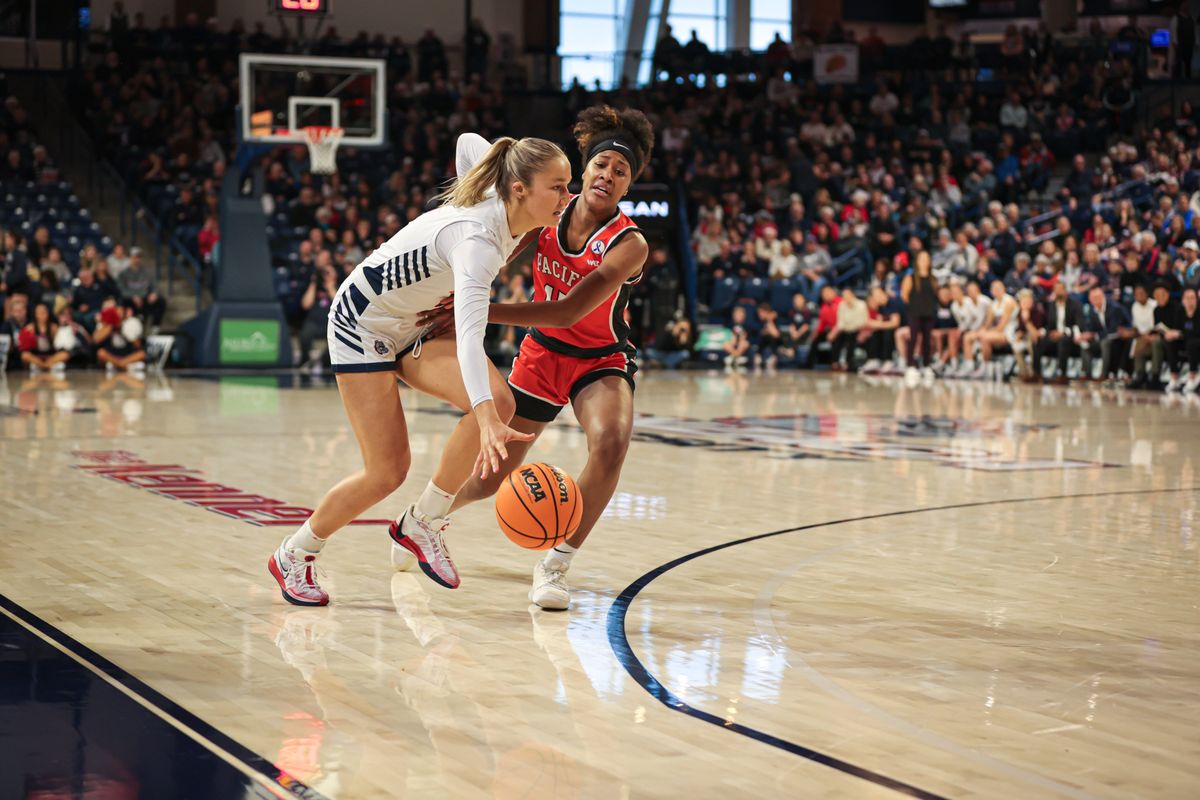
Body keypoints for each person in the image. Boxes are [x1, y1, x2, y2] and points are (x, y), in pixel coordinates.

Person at [268, 133, 573, 606]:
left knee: (503, 400)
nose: (567, 197)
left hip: (416, 319)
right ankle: (295, 553)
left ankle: (423, 522)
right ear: (519, 190)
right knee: (387, 471)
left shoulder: (506, 198)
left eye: (568, 185)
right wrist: (485, 417)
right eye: (557, 187)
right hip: (362, 322)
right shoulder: (478, 244)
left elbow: (469, 143)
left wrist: (492, 411)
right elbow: (471, 338)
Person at [417, 108, 655, 610]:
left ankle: (555, 564)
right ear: (583, 169)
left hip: (599, 358)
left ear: (628, 186)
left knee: (610, 445)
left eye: (621, 172)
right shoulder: (548, 211)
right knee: (486, 480)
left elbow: (568, 310)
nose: (608, 176)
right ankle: (422, 521)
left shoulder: (630, 244)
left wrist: (478, 309)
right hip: (543, 353)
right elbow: (490, 244)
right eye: (602, 164)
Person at [1034, 281, 1084, 384]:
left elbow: (1079, 325)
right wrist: (1043, 332)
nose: (1058, 292)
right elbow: (1048, 324)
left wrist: (1063, 332)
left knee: (1063, 341)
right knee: (1038, 341)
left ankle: (1062, 374)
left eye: (1060, 289)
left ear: (1065, 291)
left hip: (1070, 337)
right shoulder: (1050, 305)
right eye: (1056, 290)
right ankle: (1037, 373)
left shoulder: (1075, 305)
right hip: (1053, 336)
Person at [900, 250, 938, 380]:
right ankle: (910, 366)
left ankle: (926, 365)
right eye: (921, 258)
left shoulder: (933, 278)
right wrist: (913, 307)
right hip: (915, 312)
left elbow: (935, 294)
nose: (924, 261)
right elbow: (904, 295)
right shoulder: (910, 277)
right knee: (913, 338)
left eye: (926, 258)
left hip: (929, 312)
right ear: (917, 261)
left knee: (927, 340)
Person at [17, 302, 70, 374]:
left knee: (65, 355)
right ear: (36, 314)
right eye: (39, 313)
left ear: (48, 313)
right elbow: (24, 347)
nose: (42, 315)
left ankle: (42, 366)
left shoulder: (53, 327)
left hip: (51, 355)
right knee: (25, 355)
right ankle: (46, 366)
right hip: (36, 356)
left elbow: (59, 345)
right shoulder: (30, 328)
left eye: (44, 312)